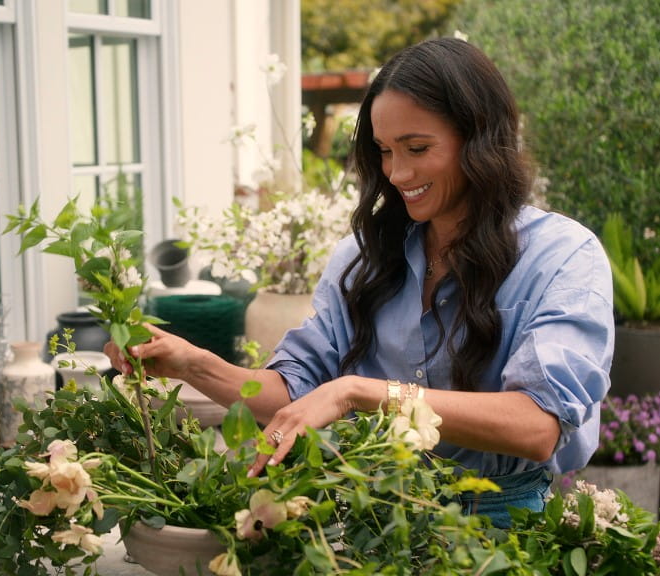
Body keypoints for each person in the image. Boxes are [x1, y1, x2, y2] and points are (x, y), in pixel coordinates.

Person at [105, 37, 614, 529]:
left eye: (417, 147)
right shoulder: (365, 259)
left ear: (480, 140)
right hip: (372, 526)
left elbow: (537, 426)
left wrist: (357, 392)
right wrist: (192, 362)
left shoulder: (563, 256)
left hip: (502, 537)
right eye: (384, 151)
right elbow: (294, 391)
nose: (396, 172)